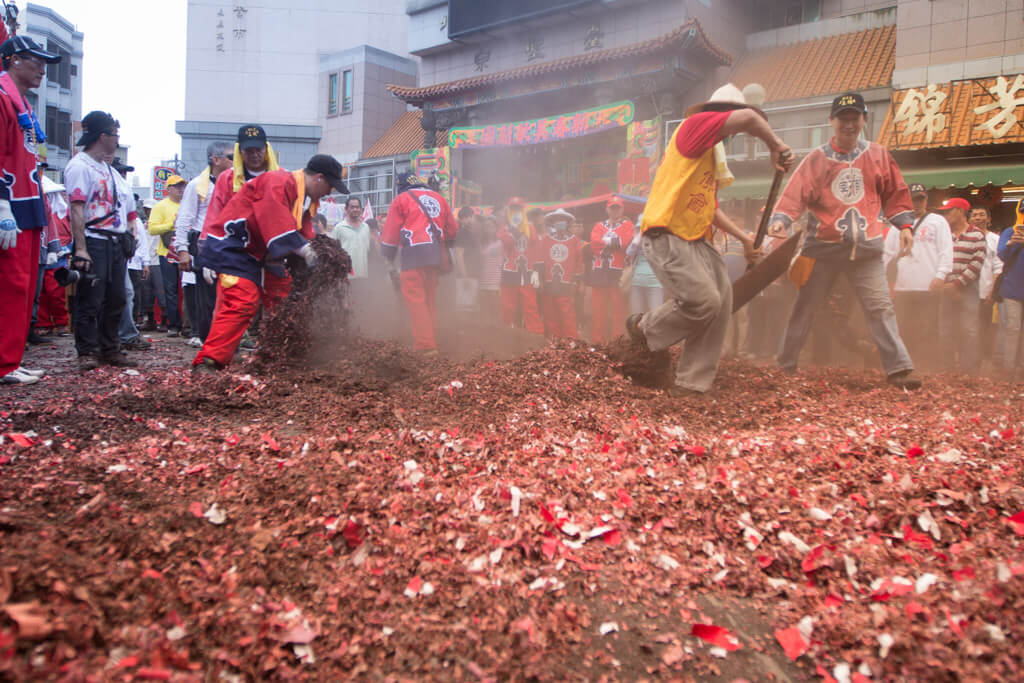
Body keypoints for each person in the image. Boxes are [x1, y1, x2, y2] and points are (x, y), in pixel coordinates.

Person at [626, 83, 792, 395]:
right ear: (722, 115)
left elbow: (710, 208)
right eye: (733, 121)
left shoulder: (712, 154)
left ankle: (691, 384)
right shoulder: (695, 128)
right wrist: (776, 145)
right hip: (667, 234)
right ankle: (643, 328)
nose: (733, 134)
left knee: (722, 301)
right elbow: (750, 120)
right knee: (703, 302)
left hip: (696, 238)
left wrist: (744, 239)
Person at [769, 92, 920, 389]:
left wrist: (903, 224)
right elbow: (794, 194)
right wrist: (781, 220)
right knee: (806, 306)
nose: (849, 124)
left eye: (855, 118)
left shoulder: (878, 155)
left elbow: (897, 193)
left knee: (880, 306)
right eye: (843, 118)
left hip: (865, 248)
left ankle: (899, 368)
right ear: (832, 121)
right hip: (822, 247)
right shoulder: (816, 159)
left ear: (864, 120)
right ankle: (785, 364)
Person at [192, 154, 347, 372]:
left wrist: (319, 253)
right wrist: (304, 250)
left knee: (284, 299)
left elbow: (303, 232)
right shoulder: (278, 181)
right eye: (331, 186)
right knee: (242, 302)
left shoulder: (303, 198)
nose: (330, 192)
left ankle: (279, 354)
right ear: (319, 178)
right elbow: (274, 220)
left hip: (263, 253)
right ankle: (209, 361)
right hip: (236, 248)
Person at [0, 36, 60, 385]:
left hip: (29, 203)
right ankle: (4, 363)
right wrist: (2, 201)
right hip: (11, 203)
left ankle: (12, 358)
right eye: (33, 60)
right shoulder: (3, 99)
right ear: (12, 60)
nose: (41, 69)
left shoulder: (24, 104)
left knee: (23, 287)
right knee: (9, 286)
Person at [65, 110, 138, 370]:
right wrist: (81, 249)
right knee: (91, 298)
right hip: (94, 239)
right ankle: (87, 350)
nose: (117, 140)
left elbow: (125, 204)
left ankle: (110, 347)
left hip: (115, 241)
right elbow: (76, 209)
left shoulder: (109, 170)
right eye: (114, 134)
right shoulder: (79, 166)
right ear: (102, 136)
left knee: (116, 297)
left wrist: (129, 233)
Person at [380, 172, 458, 354]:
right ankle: (432, 337)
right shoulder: (440, 198)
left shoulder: (401, 199)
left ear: (401, 185)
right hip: (435, 257)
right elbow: (453, 230)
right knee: (429, 299)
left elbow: (390, 235)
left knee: (415, 300)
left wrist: (389, 259)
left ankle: (425, 346)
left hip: (414, 255)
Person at [882, 183, 952, 370]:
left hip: (929, 285)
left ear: (926, 200)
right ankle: (907, 365)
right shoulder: (897, 225)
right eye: (913, 200)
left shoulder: (938, 221)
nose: (917, 203)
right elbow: (887, 253)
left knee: (928, 328)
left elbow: (946, 250)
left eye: (920, 199)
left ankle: (928, 365)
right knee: (904, 327)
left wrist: (941, 274)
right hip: (903, 286)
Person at [174, 141, 233, 347]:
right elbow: (184, 218)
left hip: (230, 243)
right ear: (215, 160)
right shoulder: (197, 185)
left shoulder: (236, 182)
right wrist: (182, 250)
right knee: (207, 298)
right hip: (205, 243)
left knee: (230, 294)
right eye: (230, 157)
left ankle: (226, 341)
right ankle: (210, 342)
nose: (234, 162)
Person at [937, 197, 986, 372]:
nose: (946, 214)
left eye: (949, 211)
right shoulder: (945, 235)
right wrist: (946, 283)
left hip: (968, 288)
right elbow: (939, 258)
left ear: (960, 211)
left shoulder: (977, 235)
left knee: (969, 329)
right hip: (946, 287)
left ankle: (969, 370)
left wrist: (957, 284)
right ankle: (946, 368)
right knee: (945, 329)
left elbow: (976, 264)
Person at [107, 155, 150, 352]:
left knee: (127, 292)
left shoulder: (124, 191)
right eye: (121, 171)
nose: (123, 175)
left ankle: (125, 335)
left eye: (124, 172)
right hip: (103, 243)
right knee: (106, 294)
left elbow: (132, 219)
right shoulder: (107, 187)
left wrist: (131, 240)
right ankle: (110, 338)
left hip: (122, 247)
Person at [589, 197, 634, 342]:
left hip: (618, 272)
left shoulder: (628, 225)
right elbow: (594, 245)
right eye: (612, 207)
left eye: (618, 208)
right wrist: (615, 243)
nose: (615, 210)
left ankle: (618, 342)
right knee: (598, 311)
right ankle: (598, 342)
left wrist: (605, 242)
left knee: (618, 311)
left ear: (622, 209)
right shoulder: (598, 225)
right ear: (607, 209)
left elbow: (626, 243)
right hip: (600, 271)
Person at [497, 197, 543, 334]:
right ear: (509, 211)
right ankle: (507, 333)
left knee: (531, 307)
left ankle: (535, 336)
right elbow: (508, 243)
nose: (516, 211)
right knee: (507, 306)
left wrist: (537, 271)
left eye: (518, 209)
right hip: (509, 272)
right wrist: (515, 228)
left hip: (527, 272)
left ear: (523, 210)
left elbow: (537, 250)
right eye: (513, 209)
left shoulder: (531, 228)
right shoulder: (503, 229)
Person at [148, 175, 186, 336]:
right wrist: (171, 225)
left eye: (182, 186)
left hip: (185, 252)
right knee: (170, 291)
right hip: (167, 253)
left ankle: (188, 325)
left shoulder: (187, 204)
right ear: (168, 189)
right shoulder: (160, 206)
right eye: (177, 186)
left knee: (187, 289)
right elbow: (152, 229)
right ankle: (173, 324)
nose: (180, 189)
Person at [538, 208, 583, 338]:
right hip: (549, 282)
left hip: (566, 283)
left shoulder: (574, 241)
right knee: (550, 314)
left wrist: (576, 283)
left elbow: (578, 263)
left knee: (567, 315)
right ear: (553, 222)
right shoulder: (546, 239)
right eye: (557, 220)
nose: (560, 223)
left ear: (567, 222)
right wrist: (540, 279)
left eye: (562, 220)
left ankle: (571, 341)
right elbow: (540, 259)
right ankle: (554, 341)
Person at [972, 205, 1004, 367]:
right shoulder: (964, 237)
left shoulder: (995, 240)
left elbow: (998, 267)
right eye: (975, 214)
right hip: (967, 292)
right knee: (968, 327)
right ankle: (970, 359)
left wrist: (993, 291)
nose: (978, 217)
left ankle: (985, 360)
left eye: (982, 214)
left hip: (986, 291)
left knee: (985, 327)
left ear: (989, 219)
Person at [997, 201, 1024, 377]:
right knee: (1012, 328)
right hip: (1012, 287)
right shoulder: (1009, 232)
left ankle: (1022, 366)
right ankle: (1008, 367)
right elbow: (1001, 255)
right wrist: (1011, 243)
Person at [626, 218, 664, 316]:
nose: (643, 231)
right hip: (637, 284)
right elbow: (629, 252)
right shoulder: (637, 243)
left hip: (655, 285)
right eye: (640, 228)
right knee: (635, 317)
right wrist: (637, 238)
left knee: (655, 317)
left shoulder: (659, 241)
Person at [478, 215, 502, 324]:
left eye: (491, 226)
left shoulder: (501, 243)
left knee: (495, 310)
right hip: (483, 280)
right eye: (487, 226)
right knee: (484, 310)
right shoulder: (480, 244)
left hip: (495, 281)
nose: (489, 229)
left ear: (496, 228)